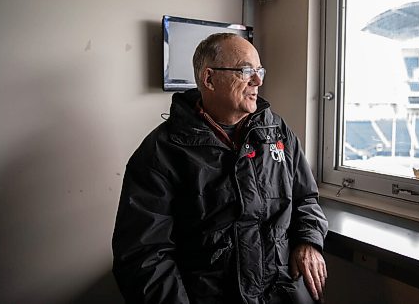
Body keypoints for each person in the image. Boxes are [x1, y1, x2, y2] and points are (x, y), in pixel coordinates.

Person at [112, 33, 328, 304]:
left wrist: (308, 241)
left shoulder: (277, 133)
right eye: (245, 70)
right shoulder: (162, 152)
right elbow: (144, 255)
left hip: (282, 291)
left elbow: (306, 198)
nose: (258, 81)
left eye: (259, 70)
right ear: (209, 78)